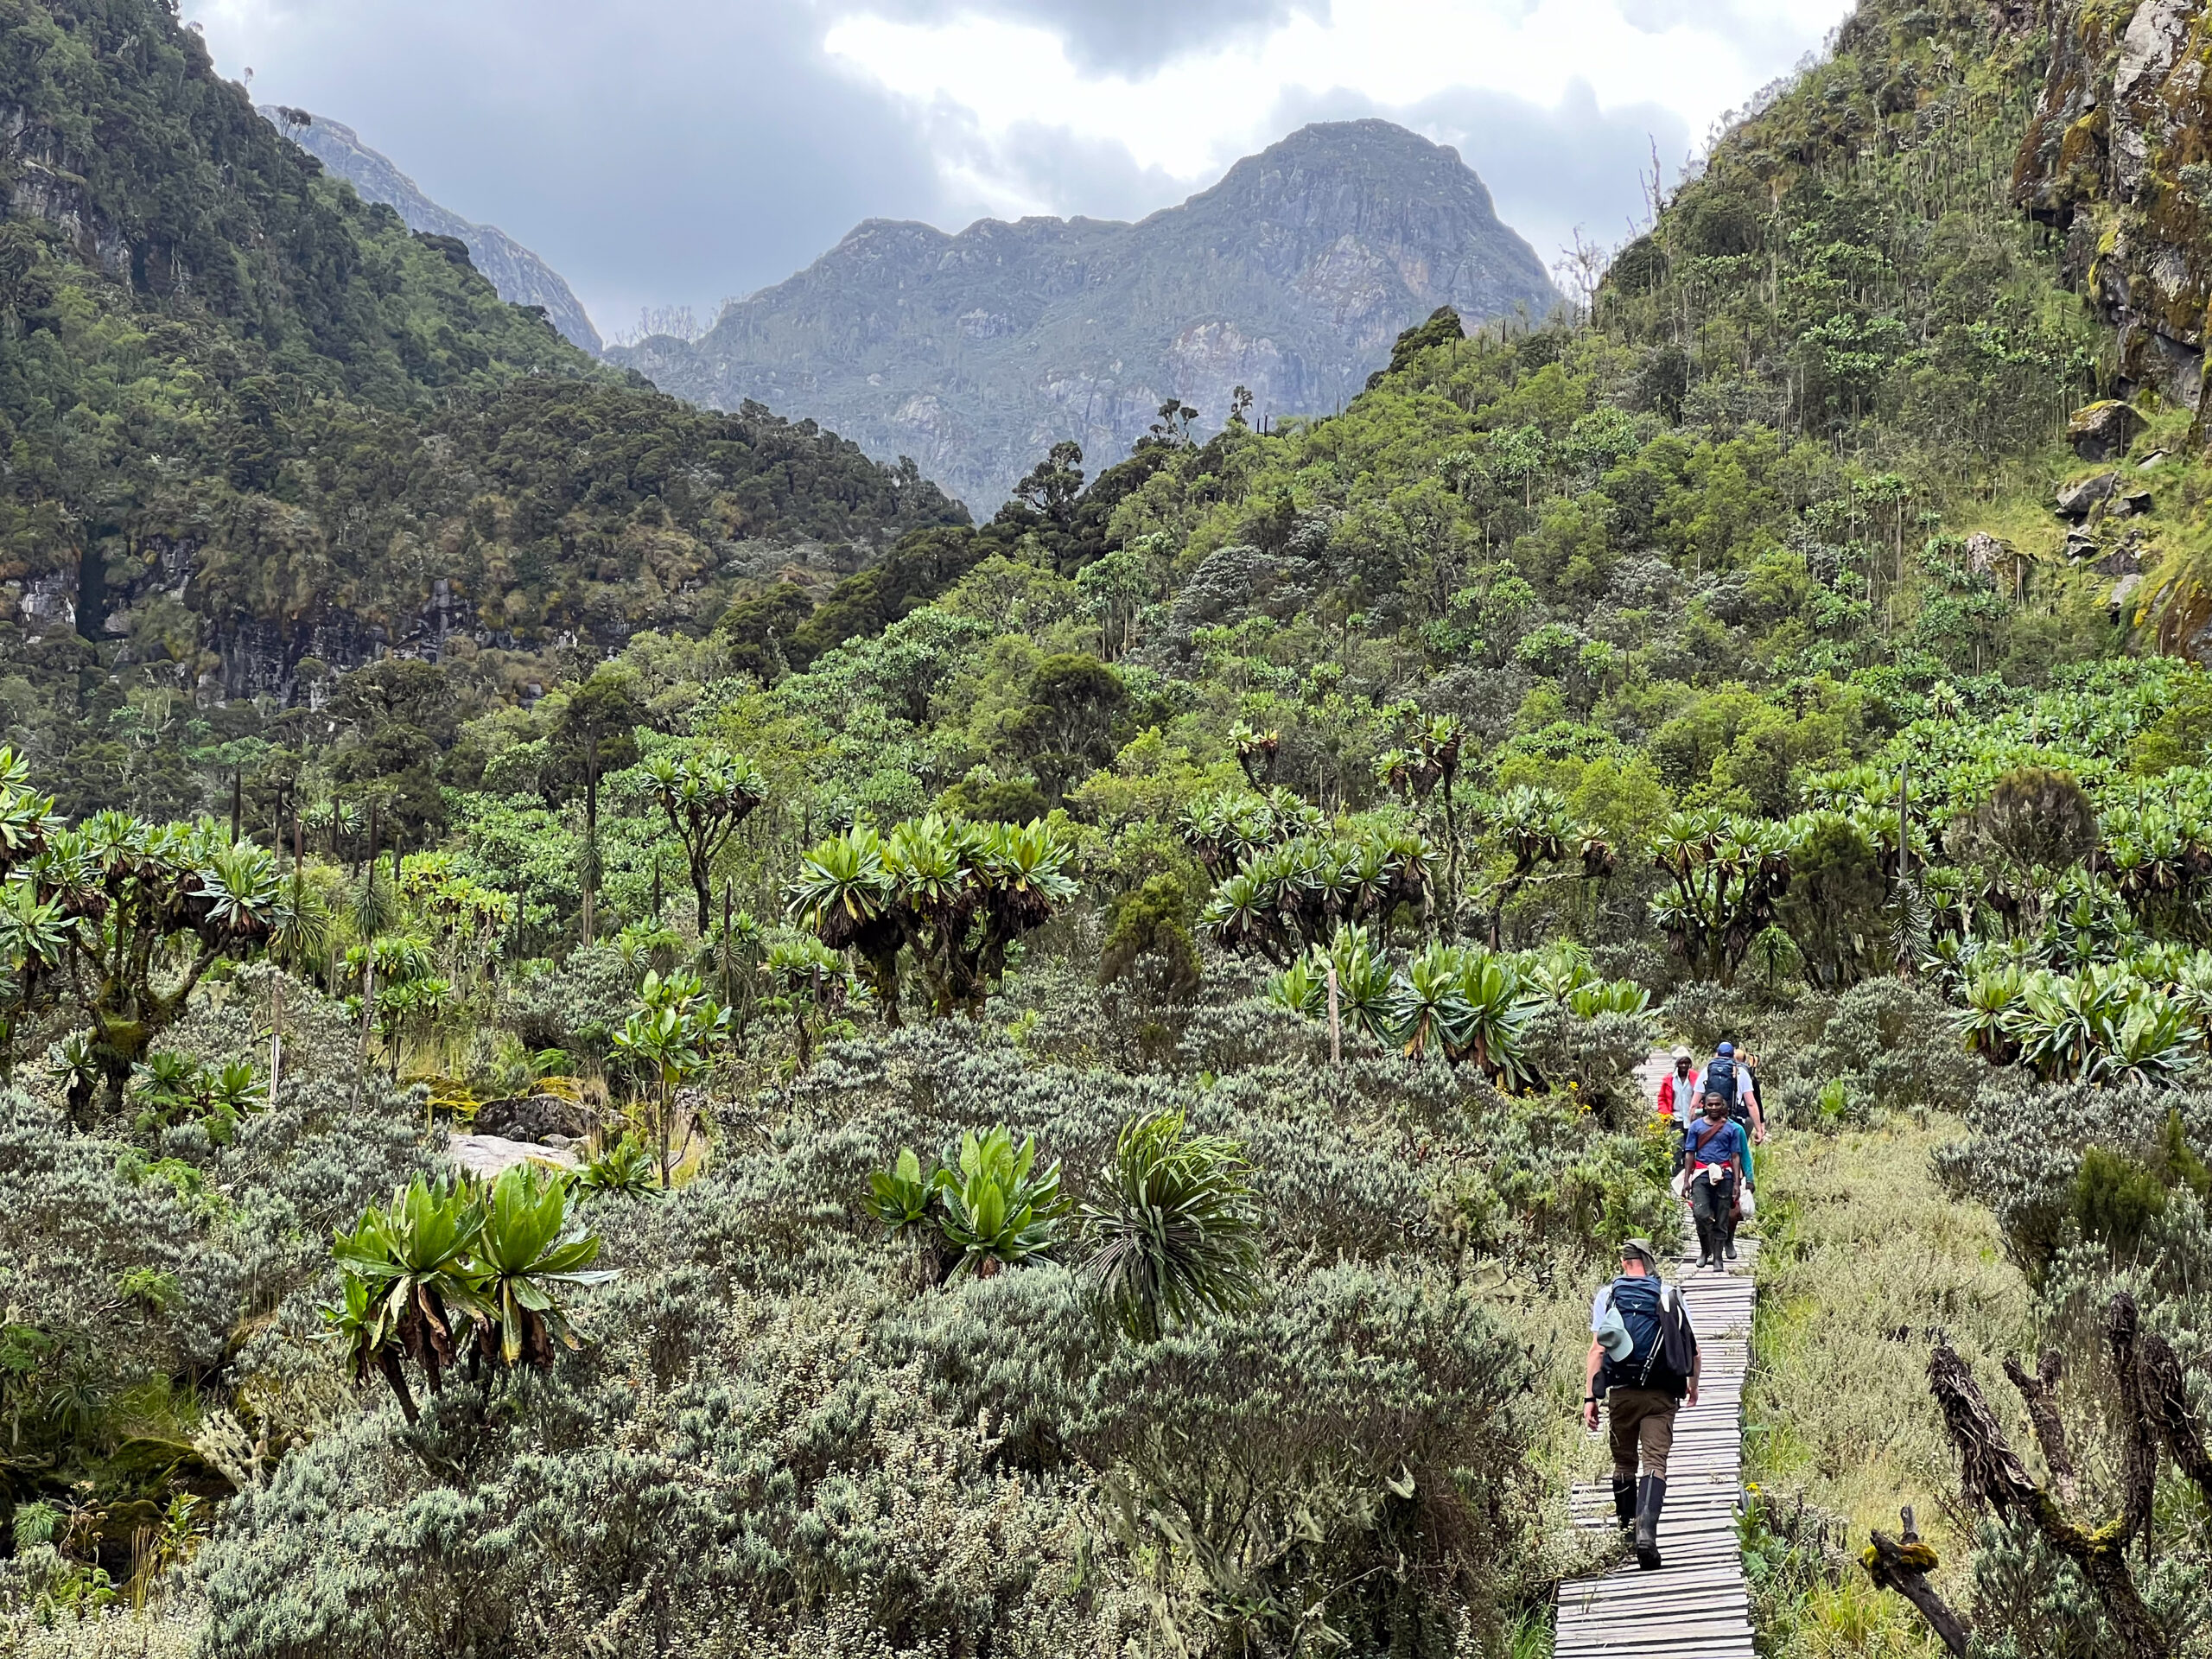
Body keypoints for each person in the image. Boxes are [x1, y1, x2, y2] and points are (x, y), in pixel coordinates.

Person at [1584, 1237, 1700, 1570]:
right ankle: (1646, 1533)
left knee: (1624, 1463)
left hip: (1621, 1393)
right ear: (1649, 1263)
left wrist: (1590, 1398)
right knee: (1654, 1463)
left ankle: (1626, 1535)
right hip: (1660, 1395)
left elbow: (1597, 1351)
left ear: (1624, 1263)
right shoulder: (1669, 1294)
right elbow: (1693, 1350)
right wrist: (1693, 1386)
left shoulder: (1608, 1296)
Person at [1681, 1090, 1747, 1268]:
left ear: (1722, 1105)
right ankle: (1705, 1250)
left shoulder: (1732, 1129)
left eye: (1717, 1104)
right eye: (1710, 1104)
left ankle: (1718, 1258)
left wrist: (1737, 1183)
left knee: (1722, 1215)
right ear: (1704, 1106)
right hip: (1701, 1174)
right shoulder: (1696, 1127)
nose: (1714, 1107)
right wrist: (1686, 1180)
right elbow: (1689, 1153)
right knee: (1700, 1213)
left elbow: (1735, 1156)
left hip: (1725, 1176)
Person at [1656, 1046, 1699, 1118]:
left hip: (1693, 1117)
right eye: (1681, 1063)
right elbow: (1662, 1098)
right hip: (1675, 1117)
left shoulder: (1697, 1078)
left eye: (1686, 1063)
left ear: (1690, 1064)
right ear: (1677, 1064)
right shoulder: (1669, 1080)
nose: (1684, 1065)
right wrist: (1666, 1114)